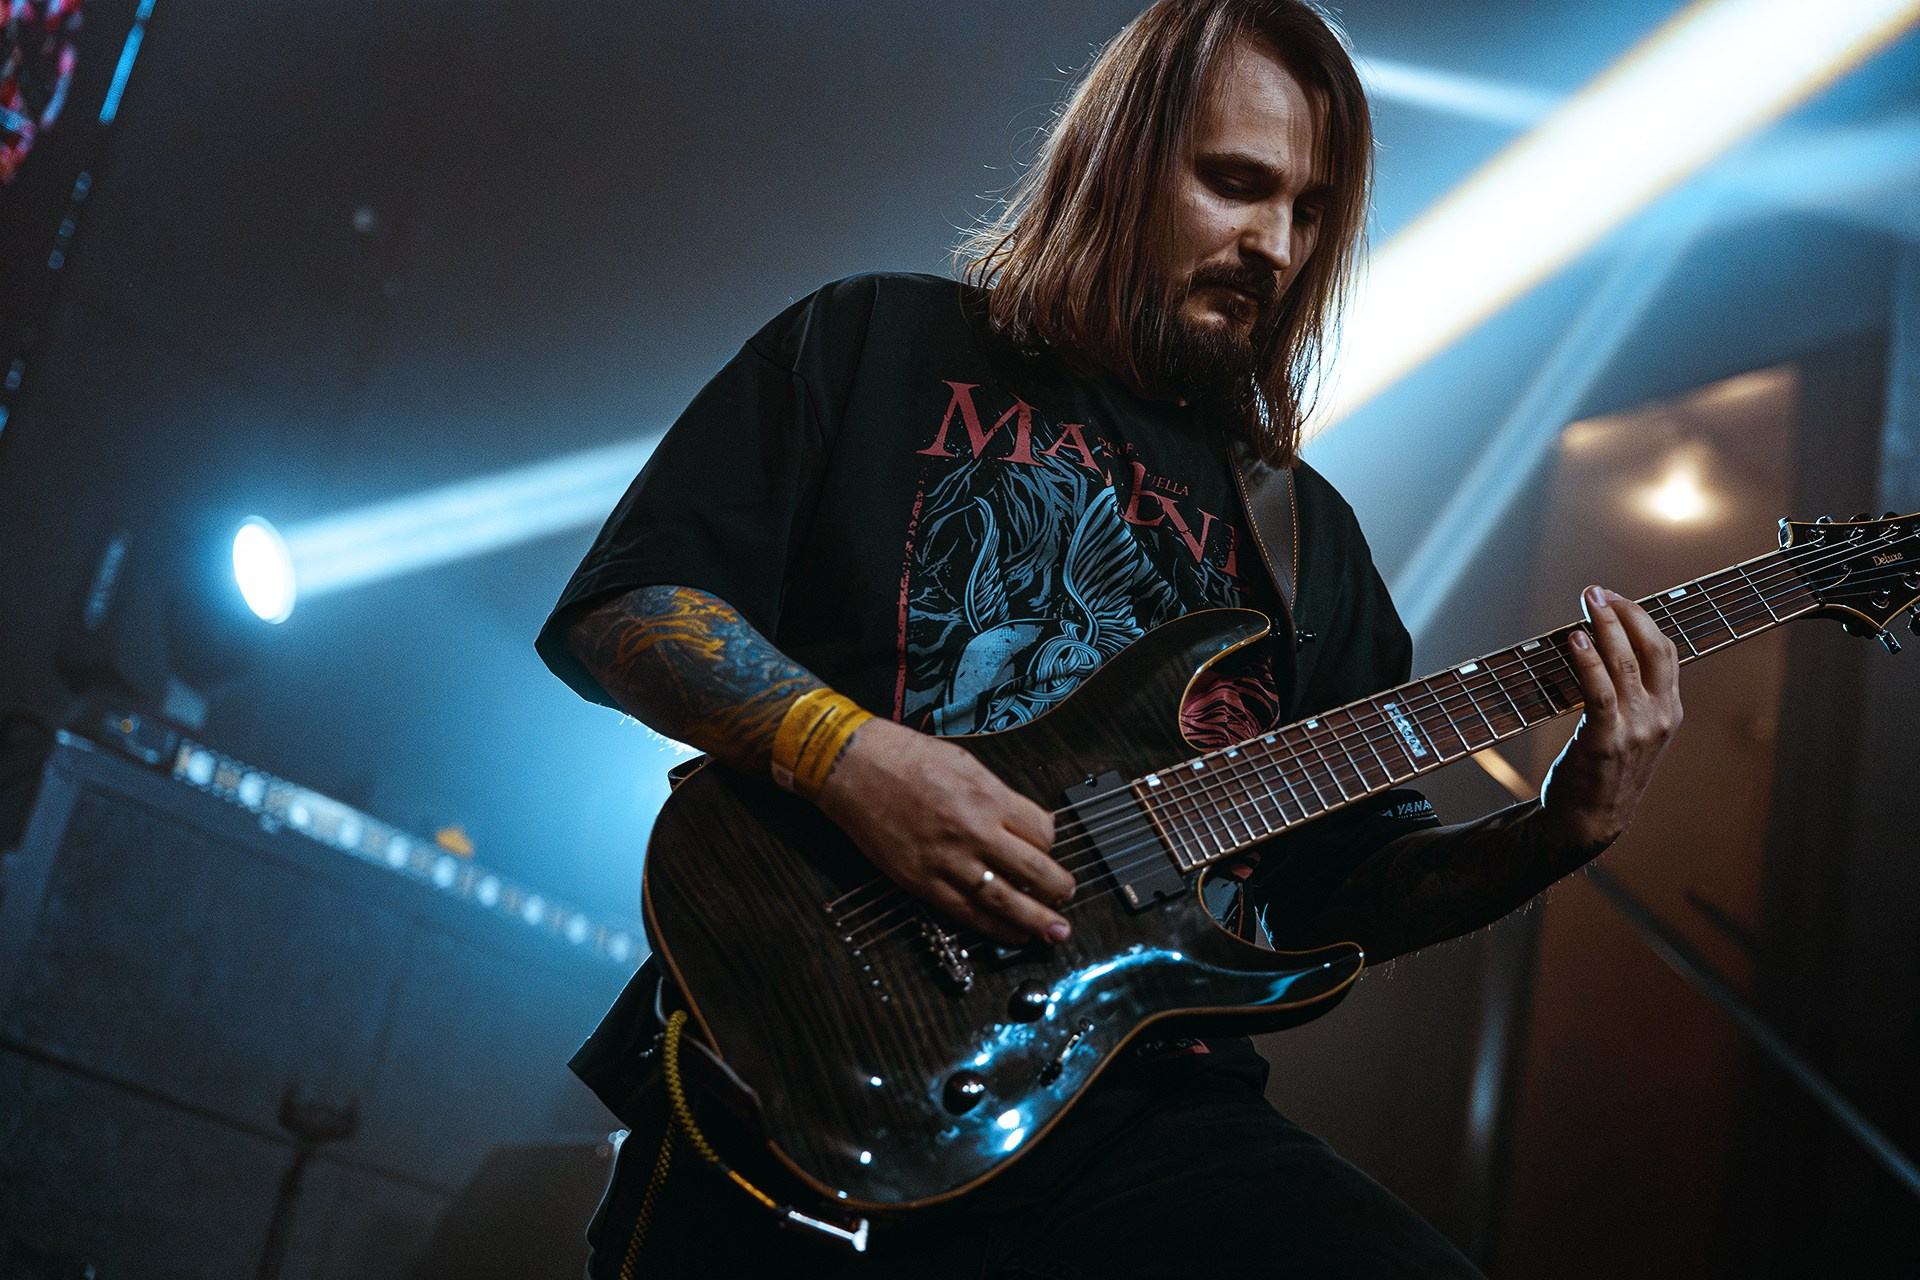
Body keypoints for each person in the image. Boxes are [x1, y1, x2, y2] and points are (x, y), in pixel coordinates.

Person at [535, 1, 1683, 1274]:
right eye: (1236, 184)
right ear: (1118, 160)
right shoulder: (874, 341)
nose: (1274, 246)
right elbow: (628, 608)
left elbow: (1339, 883)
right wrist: (853, 756)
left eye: (1308, 212)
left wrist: (1557, 830)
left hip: (1146, 1116)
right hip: (809, 1050)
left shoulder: (1309, 540)